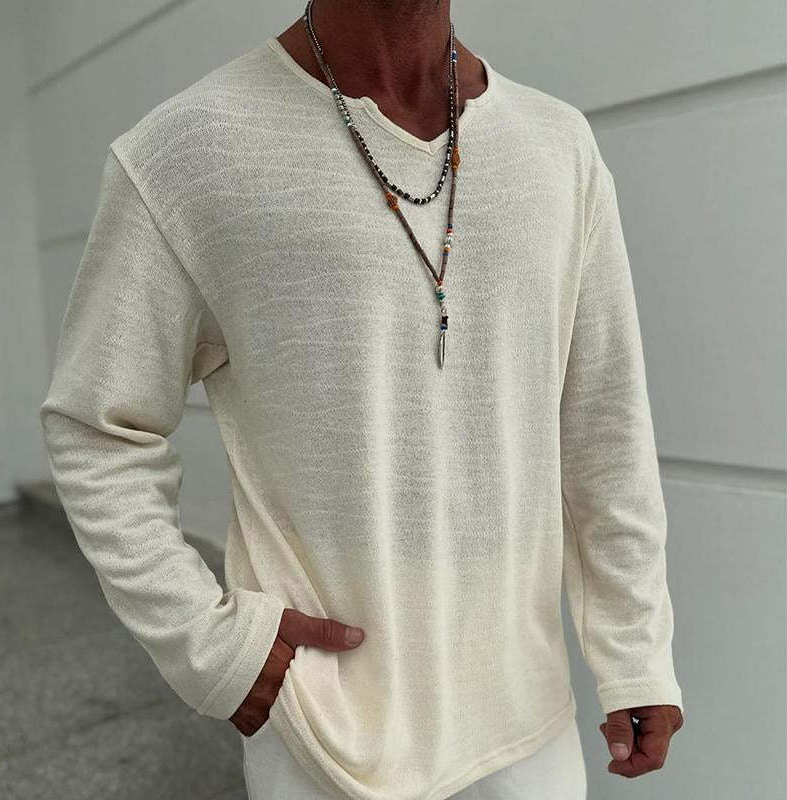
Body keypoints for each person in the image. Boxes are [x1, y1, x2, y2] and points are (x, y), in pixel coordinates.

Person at [38, 0, 685, 797]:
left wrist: (635, 649)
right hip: (327, 739)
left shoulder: (559, 147)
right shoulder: (188, 153)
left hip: (527, 727)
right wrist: (207, 645)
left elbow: (603, 425)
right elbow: (97, 427)